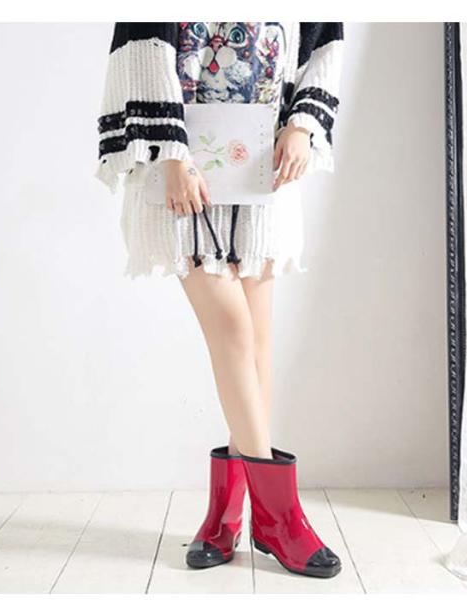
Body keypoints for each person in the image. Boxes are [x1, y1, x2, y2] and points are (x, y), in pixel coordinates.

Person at [97, 22, 344, 579]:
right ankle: (280, 519)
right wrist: (171, 157)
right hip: (179, 169)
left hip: (264, 166)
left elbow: (324, 37)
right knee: (232, 331)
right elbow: (142, 45)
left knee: (256, 345)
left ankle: (224, 516)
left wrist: (303, 125)